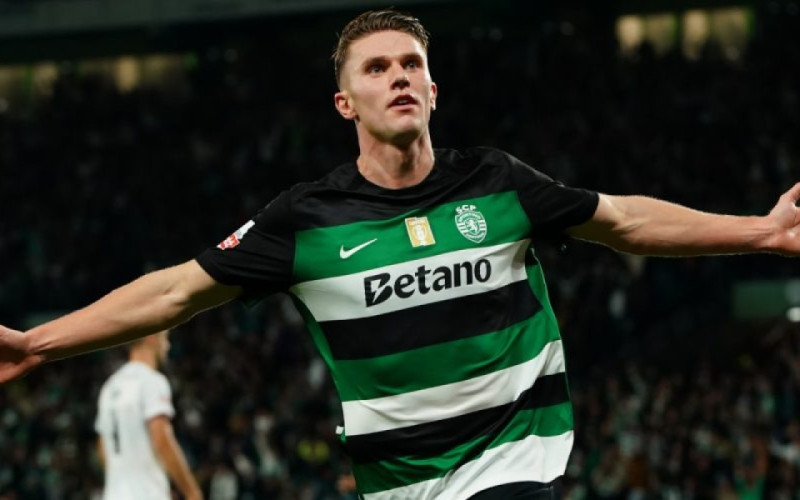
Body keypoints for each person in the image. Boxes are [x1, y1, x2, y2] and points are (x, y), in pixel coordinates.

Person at [1, 8, 799, 500]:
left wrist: (761, 232)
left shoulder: (497, 181)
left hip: (514, 459)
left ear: (434, 90)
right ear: (345, 102)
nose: (400, 77)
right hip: (398, 483)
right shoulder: (304, 220)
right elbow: (174, 292)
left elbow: (623, 220)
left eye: (412, 64)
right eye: (378, 68)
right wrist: (39, 343)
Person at [95, 330, 203, 500]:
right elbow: (161, 438)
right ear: (151, 337)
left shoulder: (109, 387)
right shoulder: (152, 381)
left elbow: (102, 447)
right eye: (165, 338)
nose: (168, 346)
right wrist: (192, 492)